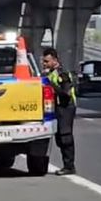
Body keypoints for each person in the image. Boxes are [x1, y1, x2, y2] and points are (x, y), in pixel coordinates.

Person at [42, 47, 77, 175]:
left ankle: (69, 166)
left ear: (55, 60)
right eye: (44, 61)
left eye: (47, 61)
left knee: (65, 136)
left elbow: (65, 93)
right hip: (57, 107)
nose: (44, 64)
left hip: (66, 107)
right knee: (59, 138)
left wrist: (50, 83)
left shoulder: (62, 73)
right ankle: (67, 165)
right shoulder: (51, 73)